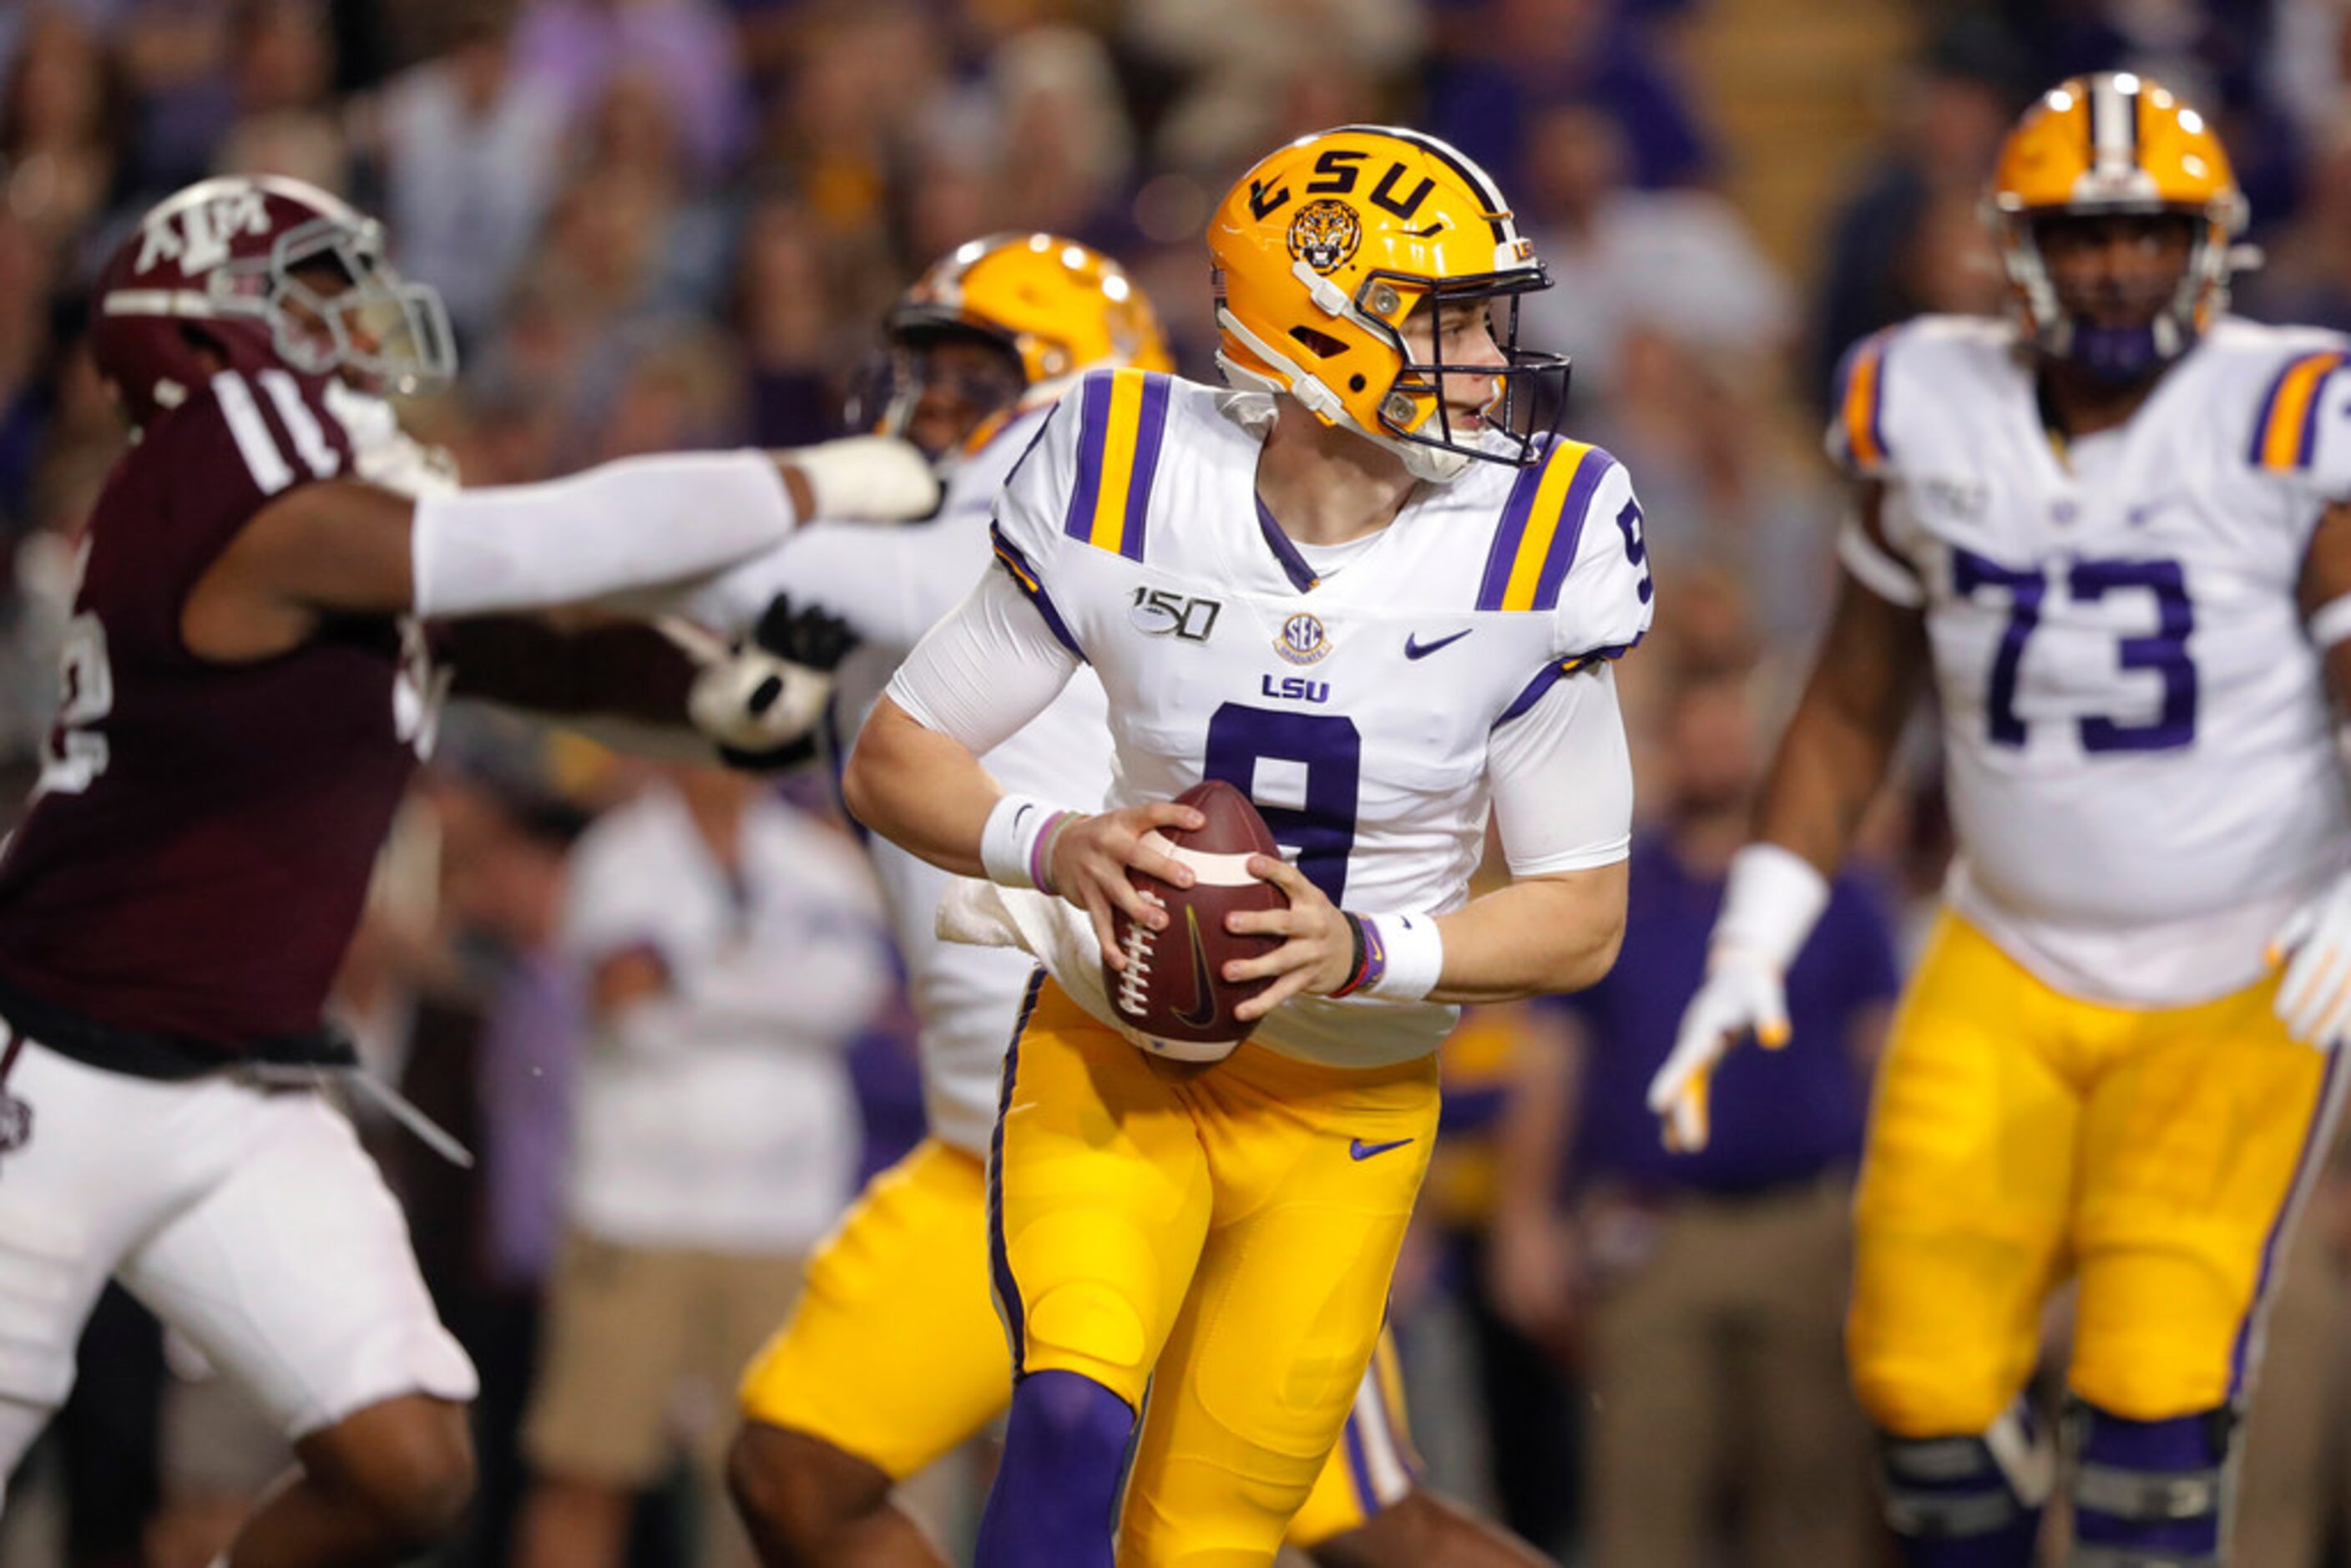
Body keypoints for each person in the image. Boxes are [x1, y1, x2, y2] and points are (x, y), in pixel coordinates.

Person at [0, 173, 934, 1565]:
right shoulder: (216, 483)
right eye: (314, 290)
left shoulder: (330, 528)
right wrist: (808, 481)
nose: (363, 319)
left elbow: (531, 646)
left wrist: (742, 705)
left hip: (236, 1083)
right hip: (55, 1078)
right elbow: (522, 547)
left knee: (409, 1467)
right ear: (202, 340)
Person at [680, 232, 1554, 1567]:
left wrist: (440, 555)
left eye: (971, 380)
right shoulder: (996, 550)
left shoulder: (1143, 545)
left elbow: (684, 565)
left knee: (1367, 1534)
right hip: (997, 1128)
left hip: (1198, 1103)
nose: (927, 417)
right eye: (925, 379)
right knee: (795, 1468)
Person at [840, 126, 1651, 1564]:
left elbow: (1584, 910)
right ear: (1315, 326)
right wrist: (1058, 839)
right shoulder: (1127, 467)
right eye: (1445, 316)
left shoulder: (1539, 536)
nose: (1485, 356)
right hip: (1109, 1055)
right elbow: (894, 756)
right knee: (1074, 1414)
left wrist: (1365, 947)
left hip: (1347, 1107)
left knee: (1200, 1538)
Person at [1648, 74, 2351, 1566]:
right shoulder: (1920, 401)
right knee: (1916, 1386)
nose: (2113, 267)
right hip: (2008, 953)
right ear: (2012, 245)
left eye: (2148, 233)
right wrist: (1755, 928)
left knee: (2155, 1395)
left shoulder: (2287, 416)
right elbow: (1850, 699)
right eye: (2082, 234)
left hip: (2242, 971)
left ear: (2210, 243)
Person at [1494, 665, 1898, 1568]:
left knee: (1814, 1507)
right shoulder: (1612, 891)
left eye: (1730, 731)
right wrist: (1523, 1218)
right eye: (1695, 732)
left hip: (1807, 1229)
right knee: (1641, 1504)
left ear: (1763, 746)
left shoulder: (1835, 887)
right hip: (1651, 1234)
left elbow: (1884, 1061)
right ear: (1664, 749)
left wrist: (1893, 1225)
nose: (1713, 752)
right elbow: (1550, 1062)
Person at [514, 765, 892, 1568]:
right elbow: (623, 996)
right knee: (587, 1471)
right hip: (633, 1207)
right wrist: (775, 981)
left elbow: (850, 996)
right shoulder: (616, 854)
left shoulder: (818, 859)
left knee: (771, 1481)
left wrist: (688, 975)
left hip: (786, 1215)